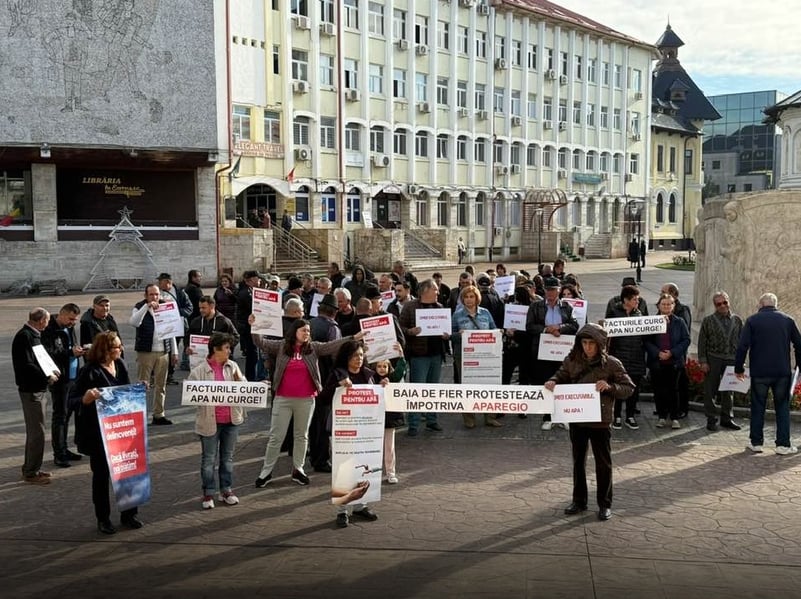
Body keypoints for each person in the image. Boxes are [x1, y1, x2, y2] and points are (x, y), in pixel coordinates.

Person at [250, 318, 363, 487]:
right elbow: (261, 342)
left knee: (301, 436)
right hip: (283, 399)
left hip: (307, 399)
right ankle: (266, 472)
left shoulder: (313, 348)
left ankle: (298, 469)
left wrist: (353, 337)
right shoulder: (282, 346)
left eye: (308, 331)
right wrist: (255, 326)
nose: (306, 333)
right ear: (295, 332)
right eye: (303, 330)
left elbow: (332, 345)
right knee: (276, 437)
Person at [545, 323, 634, 522]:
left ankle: (604, 504)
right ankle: (579, 501)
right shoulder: (572, 360)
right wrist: (552, 381)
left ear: (600, 344)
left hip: (600, 421)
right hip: (577, 419)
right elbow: (561, 374)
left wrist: (610, 387)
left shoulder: (611, 363)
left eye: (592, 343)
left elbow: (628, 388)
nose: (588, 347)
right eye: (584, 343)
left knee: (603, 464)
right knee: (578, 461)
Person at [73, 331, 143, 534]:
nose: (120, 350)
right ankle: (103, 518)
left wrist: (138, 389)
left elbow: (126, 391)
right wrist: (85, 399)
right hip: (99, 434)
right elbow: (73, 399)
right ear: (104, 350)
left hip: (122, 431)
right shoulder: (90, 371)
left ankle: (129, 514)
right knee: (102, 477)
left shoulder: (120, 364)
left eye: (120, 346)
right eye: (116, 347)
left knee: (128, 472)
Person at [317, 340, 381, 528]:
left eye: (361, 355)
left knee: (365, 464)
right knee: (344, 468)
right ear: (346, 358)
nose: (359, 359)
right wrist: (338, 386)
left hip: (366, 429)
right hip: (343, 429)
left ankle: (361, 505)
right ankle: (343, 510)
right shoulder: (337, 374)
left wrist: (383, 384)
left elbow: (377, 397)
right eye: (355, 356)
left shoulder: (368, 375)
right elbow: (324, 399)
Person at [734, 292, 801, 454]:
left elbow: (743, 346)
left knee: (758, 406)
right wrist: (799, 367)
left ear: (761, 304)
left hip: (760, 372)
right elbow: (799, 344)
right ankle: (783, 445)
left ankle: (756, 442)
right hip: (782, 372)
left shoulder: (752, 320)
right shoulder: (788, 320)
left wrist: (739, 368)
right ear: (775, 304)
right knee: (782, 408)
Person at [188, 333, 246, 510]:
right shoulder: (199, 371)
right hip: (209, 422)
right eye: (227, 348)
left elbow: (244, 389)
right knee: (208, 460)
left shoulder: (233, 366)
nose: (229, 351)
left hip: (231, 419)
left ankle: (226, 490)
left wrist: (239, 379)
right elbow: (191, 396)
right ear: (215, 349)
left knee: (227, 458)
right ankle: (208, 492)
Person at [526, 277, 579, 431]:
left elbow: (574, 325)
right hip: (543, 351)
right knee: (546, 383)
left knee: (563, 383)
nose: (550, 293)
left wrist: (560, 328)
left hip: (561, 352)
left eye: (553, 290)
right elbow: (529, 326)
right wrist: (546, 329)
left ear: (559, 290)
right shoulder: (535, 306)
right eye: (548, 290)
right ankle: (548, 417)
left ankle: (562, 417)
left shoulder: (566, 307)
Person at [398, 278, 449, 436]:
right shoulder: (410, 306)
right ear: (425, 290)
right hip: (419, 355)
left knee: (433, 389)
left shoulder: (440, 307)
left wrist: (446, 336)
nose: (438, 292)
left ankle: (431, 420)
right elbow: (400, 327)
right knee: (417, 390)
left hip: (436, 354)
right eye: (435, 289)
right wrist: (410, 331)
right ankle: (413, 424)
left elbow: (445, 329)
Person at [13, 308, 58, 485]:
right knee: (36, 433)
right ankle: (31, 472)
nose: (48, 325)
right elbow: (28, 365)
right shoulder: (25, 336)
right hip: (31, 390)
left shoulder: (32, 335)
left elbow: (41, 359)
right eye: (47, 321)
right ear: (40, 321)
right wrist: (47, 375)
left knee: (36, 432)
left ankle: (31, 468)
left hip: (37, 388)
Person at [42, 303, 85, 467]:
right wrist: (70, 353)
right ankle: (58, 453)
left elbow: (71, 346)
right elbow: (48, 354)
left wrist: (78, 350)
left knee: (67, 415)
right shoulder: (49, 329)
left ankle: (64, 448)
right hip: (60, 379)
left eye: (75, 320)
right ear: (62, 314)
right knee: (60, 415)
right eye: (71, 319)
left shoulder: (70, 327)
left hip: (73, 376)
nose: (73, 322)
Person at [129, 284, 179, 425]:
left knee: (161, 385)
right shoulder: (139, 307)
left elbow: (171, 330)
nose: (154, 297)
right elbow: (134, 322)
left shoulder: (165, 307)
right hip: (145, 351)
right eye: (151, 294)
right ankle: (140, 415)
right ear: (146, 296)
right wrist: (146, 307)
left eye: (156, 294)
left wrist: (174, 351)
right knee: (142, 385)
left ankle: (159, 414)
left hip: (163, 352)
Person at [452, 285, 500, 427]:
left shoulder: (485, 313)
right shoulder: (457, 315)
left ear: (477, 298)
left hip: (485, 356)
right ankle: (469, 418)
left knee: (488, 385)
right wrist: (458, 335)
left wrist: (500, 332)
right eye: (466, 297)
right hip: (465, 356)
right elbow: (450, 335)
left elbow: (493, 329)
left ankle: (490, 416)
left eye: (471, 296)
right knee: (467, 386)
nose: (469, 300)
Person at [698, 291, 744, 432]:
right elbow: (702, 343)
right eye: (719, 304)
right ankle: (711, 419)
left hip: (731, 359)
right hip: (713, 358)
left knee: (728, 391)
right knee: (710, 390)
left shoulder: (737, 320)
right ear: (715, 305)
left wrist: (741, 362)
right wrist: (703, 361)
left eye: (725, 302)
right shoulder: (708, 320)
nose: (723, 306)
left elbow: (742, 342)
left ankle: (727, 419)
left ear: (728, 301)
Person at [644, 294, 691, 430]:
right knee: (659, 390)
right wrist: (657, 353)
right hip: (657, 362)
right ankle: (662, 417)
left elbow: (686, 339)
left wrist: (672, 352)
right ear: (659, 305)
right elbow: (647, 341)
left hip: (674, 362)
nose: (666, 306)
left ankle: (674, 417)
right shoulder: (652, 321)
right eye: (663, 304)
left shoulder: (679, 321)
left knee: (673, 390)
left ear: (673, 306)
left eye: (669, 304)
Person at [606, 285, 646, 430]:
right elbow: (607, 335)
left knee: (633, 388)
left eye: (637, 298)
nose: (637, 301)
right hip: (619, 357)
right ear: (626, 300)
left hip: (636, 356)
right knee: (618, 388)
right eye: (635, 299)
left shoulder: (639, 314)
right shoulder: (614, 313)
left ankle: (630, 416)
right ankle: (616, 416)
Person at [373, 356, 406, 485]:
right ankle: (373, 473)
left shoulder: (393, 378)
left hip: (389, 418)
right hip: (374, 418)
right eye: (379, 366)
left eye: (384, 366)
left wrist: (401, 355)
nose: (382, 369)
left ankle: (390, 473)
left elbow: (400, 370)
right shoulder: (371, 378)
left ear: (388, 367)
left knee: (389, 447)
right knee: (374, 447)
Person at [662, 283, 692, 418]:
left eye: (664, 292)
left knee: (679, 384)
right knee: (667, 385)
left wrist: (673, 351)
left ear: (673, 294)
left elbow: (684, 336)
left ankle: (681, 409)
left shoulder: (682, 311)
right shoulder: (661, 309)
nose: (661, 295)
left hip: (677, 355)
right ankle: (666, 408)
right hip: (662, 357)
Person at [157, 273, 193, 382]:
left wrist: (175, 312)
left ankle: (170, 374)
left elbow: (189, 308)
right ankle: (160, 373)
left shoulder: (180, 293)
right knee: (161, 351)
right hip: (161, 327)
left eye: (160, 282)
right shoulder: (157, 293)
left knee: (173, 350)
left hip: (177, 327)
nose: (158, 284)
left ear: (168, 282)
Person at [184, 296, 240, 361]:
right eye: (200, 308)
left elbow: (236, 337)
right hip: (200, 360)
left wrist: (225, 347)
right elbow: (187, 336)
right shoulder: (196, 321)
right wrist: (187, 347)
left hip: (220, 360)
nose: (201, 310)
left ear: (212, 306)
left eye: (203, 308)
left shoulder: (224, 321)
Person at [235, 270, 261, 380]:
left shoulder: (253, 291)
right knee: (252, 354)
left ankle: (254, 376)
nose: (259, 281)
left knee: (255, 354)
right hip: (247, 328)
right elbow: (254, 309)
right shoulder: (245, 293)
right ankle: (251, 378)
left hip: (254, 326)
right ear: (250, 281)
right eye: (257, 279)